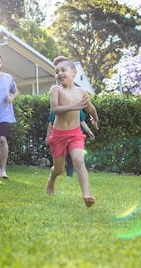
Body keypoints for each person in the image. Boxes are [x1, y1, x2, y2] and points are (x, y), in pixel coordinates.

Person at [45, 56, 99, 207]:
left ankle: (86, 195)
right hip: (58, 135)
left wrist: (95, 118)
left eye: (63, 70)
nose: (60, 73)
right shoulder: (56, 90)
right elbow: (55, 109)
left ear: (74, 72)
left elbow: (90, 108)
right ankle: (52, 178)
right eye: (57, 72)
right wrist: (74, 106)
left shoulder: (82, 92)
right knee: (59, 169)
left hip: (75, 134)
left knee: (79, 160)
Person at [45, 110, 95, 177]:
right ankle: (58, 173)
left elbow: (82, 121)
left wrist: (89, 132)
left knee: (72, 156)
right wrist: (48, 136)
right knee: (60, 158)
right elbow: (51, 123)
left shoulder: (78, 109)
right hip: (60, 137)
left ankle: (69, 174)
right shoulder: (57, 108)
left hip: (74, 137)